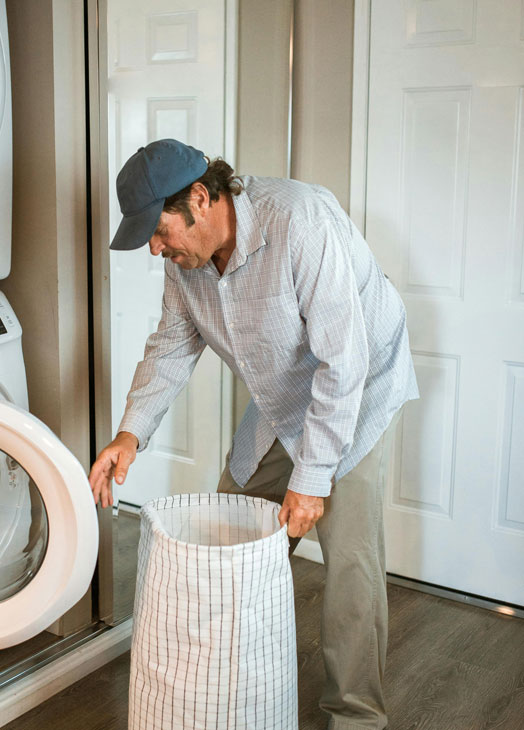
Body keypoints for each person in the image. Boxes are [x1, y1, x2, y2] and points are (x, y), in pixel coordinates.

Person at [89, 138, 419, 730]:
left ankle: (356, 717)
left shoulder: (300, 222)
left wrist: (312, 480)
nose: (156, 249)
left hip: (360, 384)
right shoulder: (186, 267)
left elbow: (343, 363)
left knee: (348, 562)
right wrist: (128, 435)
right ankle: (227, 687)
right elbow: (170, 348)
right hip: (281, 391)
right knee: (231, 533)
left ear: (199, 197)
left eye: (159, 232)